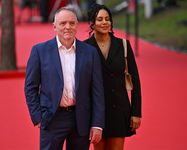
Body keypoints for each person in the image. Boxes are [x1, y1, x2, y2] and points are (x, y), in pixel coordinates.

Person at [24, 6, 105, 150]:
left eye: (72, 23)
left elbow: (97, 91)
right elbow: (30, 87)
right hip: (52, 118)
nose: (68, 27)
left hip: (81, 118)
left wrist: (97, 124)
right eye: (63, 23)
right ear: (54, 27)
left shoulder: (90, 53)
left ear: (77, 25)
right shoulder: (39, 51)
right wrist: (38, 116)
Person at [84, 4, 142, 150]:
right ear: (91, 23)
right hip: (96, 112)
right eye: (99, 19)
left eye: (107, 19)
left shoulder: (123, 45)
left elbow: (135, 80)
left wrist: (136, 112)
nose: (104, 22)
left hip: (119, 109)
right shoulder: (84, 48)